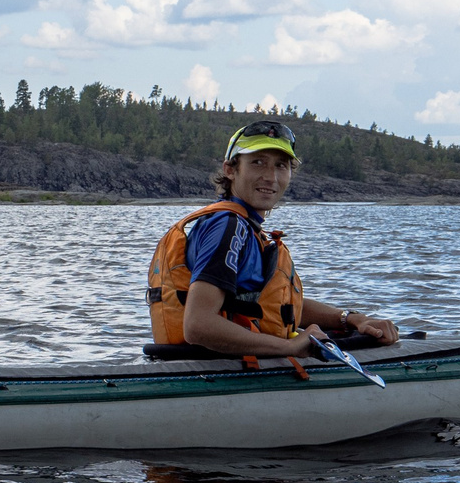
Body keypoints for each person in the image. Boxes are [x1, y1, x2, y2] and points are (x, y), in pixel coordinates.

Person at [146, 118, 400, 358]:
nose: (271, 177)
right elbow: (198, 325)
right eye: (258, 162)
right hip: (216, 368)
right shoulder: (228, 227)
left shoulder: (243, 226)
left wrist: (350, 319)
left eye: (281, 165)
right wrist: (289, 347)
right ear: (230, 170)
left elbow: (279, 308)